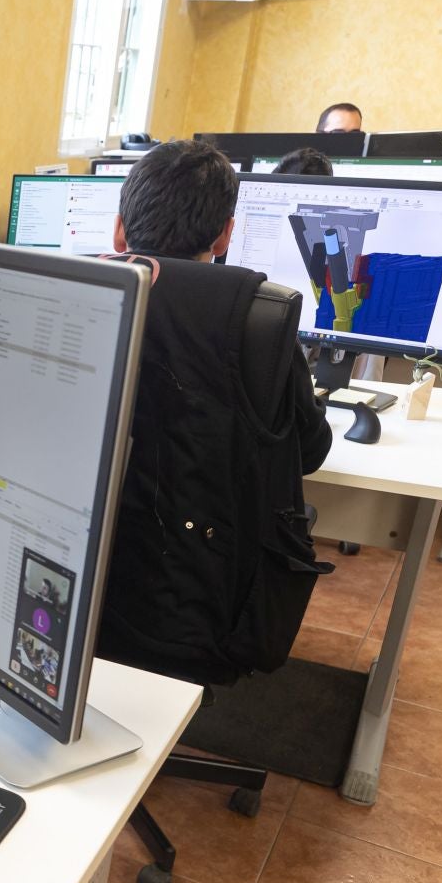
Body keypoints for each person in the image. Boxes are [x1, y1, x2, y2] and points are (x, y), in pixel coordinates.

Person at [103, 139, 332, 683]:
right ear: (226, 235)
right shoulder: (257, 321)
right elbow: (310, 453)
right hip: (200, 604)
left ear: (118, 230)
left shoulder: (62, 298)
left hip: (77, 591)